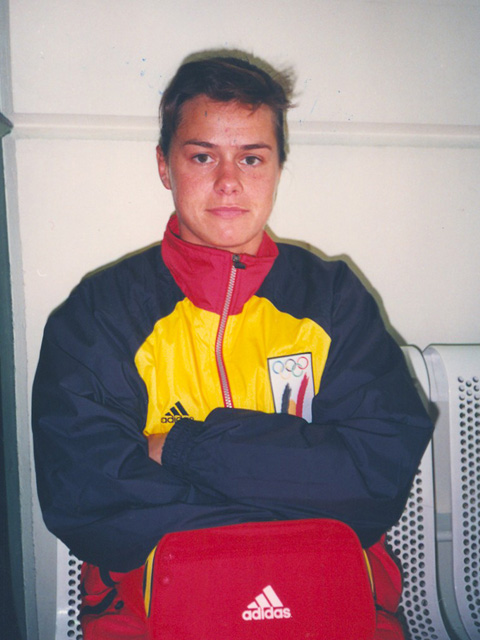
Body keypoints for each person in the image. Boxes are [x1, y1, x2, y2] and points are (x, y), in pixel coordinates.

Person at [32, 54, 433, 639]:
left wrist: (181, 447)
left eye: (251, 157)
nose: (228, 182)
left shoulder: (333, 299)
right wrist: (299, 484)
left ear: (278, 167)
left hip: (331, 596)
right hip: (156, 611)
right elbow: (89, 497)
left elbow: (377, 476)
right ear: (165, 166)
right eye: (202, 156)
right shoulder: (100, 313)